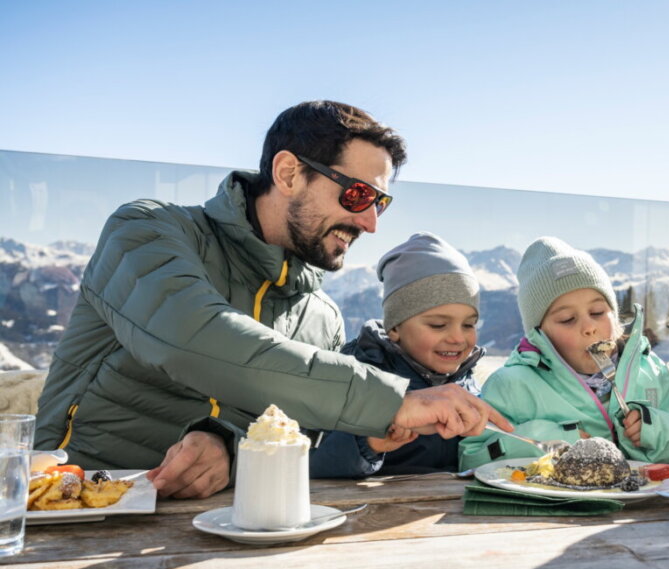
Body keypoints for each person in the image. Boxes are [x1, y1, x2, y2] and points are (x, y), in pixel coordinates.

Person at [33, 101, 511, 499]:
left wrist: (230, 450)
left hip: (233, 523)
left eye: (379, 204)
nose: (370, 223)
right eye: (357, 195)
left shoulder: (322, 317)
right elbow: (193, 338)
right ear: (288, 173)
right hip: (73, 501)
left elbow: (296, 443)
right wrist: (392, 402)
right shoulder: (148, 231)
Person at [460, 237, 669, 470]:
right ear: (540, 335)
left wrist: (655, 430)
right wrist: (550, 441)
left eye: (598, 312)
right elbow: (472, 458)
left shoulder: (650, 371)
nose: (589, 327)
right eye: (567, 319)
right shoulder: (511, 386)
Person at [309, 232, 484, 477]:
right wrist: (369, 442)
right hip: (376, 500)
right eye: (438, 325)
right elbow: (314, 463)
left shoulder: (466, 380)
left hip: (449, 499)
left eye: (468, 325)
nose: (458, 338)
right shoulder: (357, 377)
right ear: (394, 328)